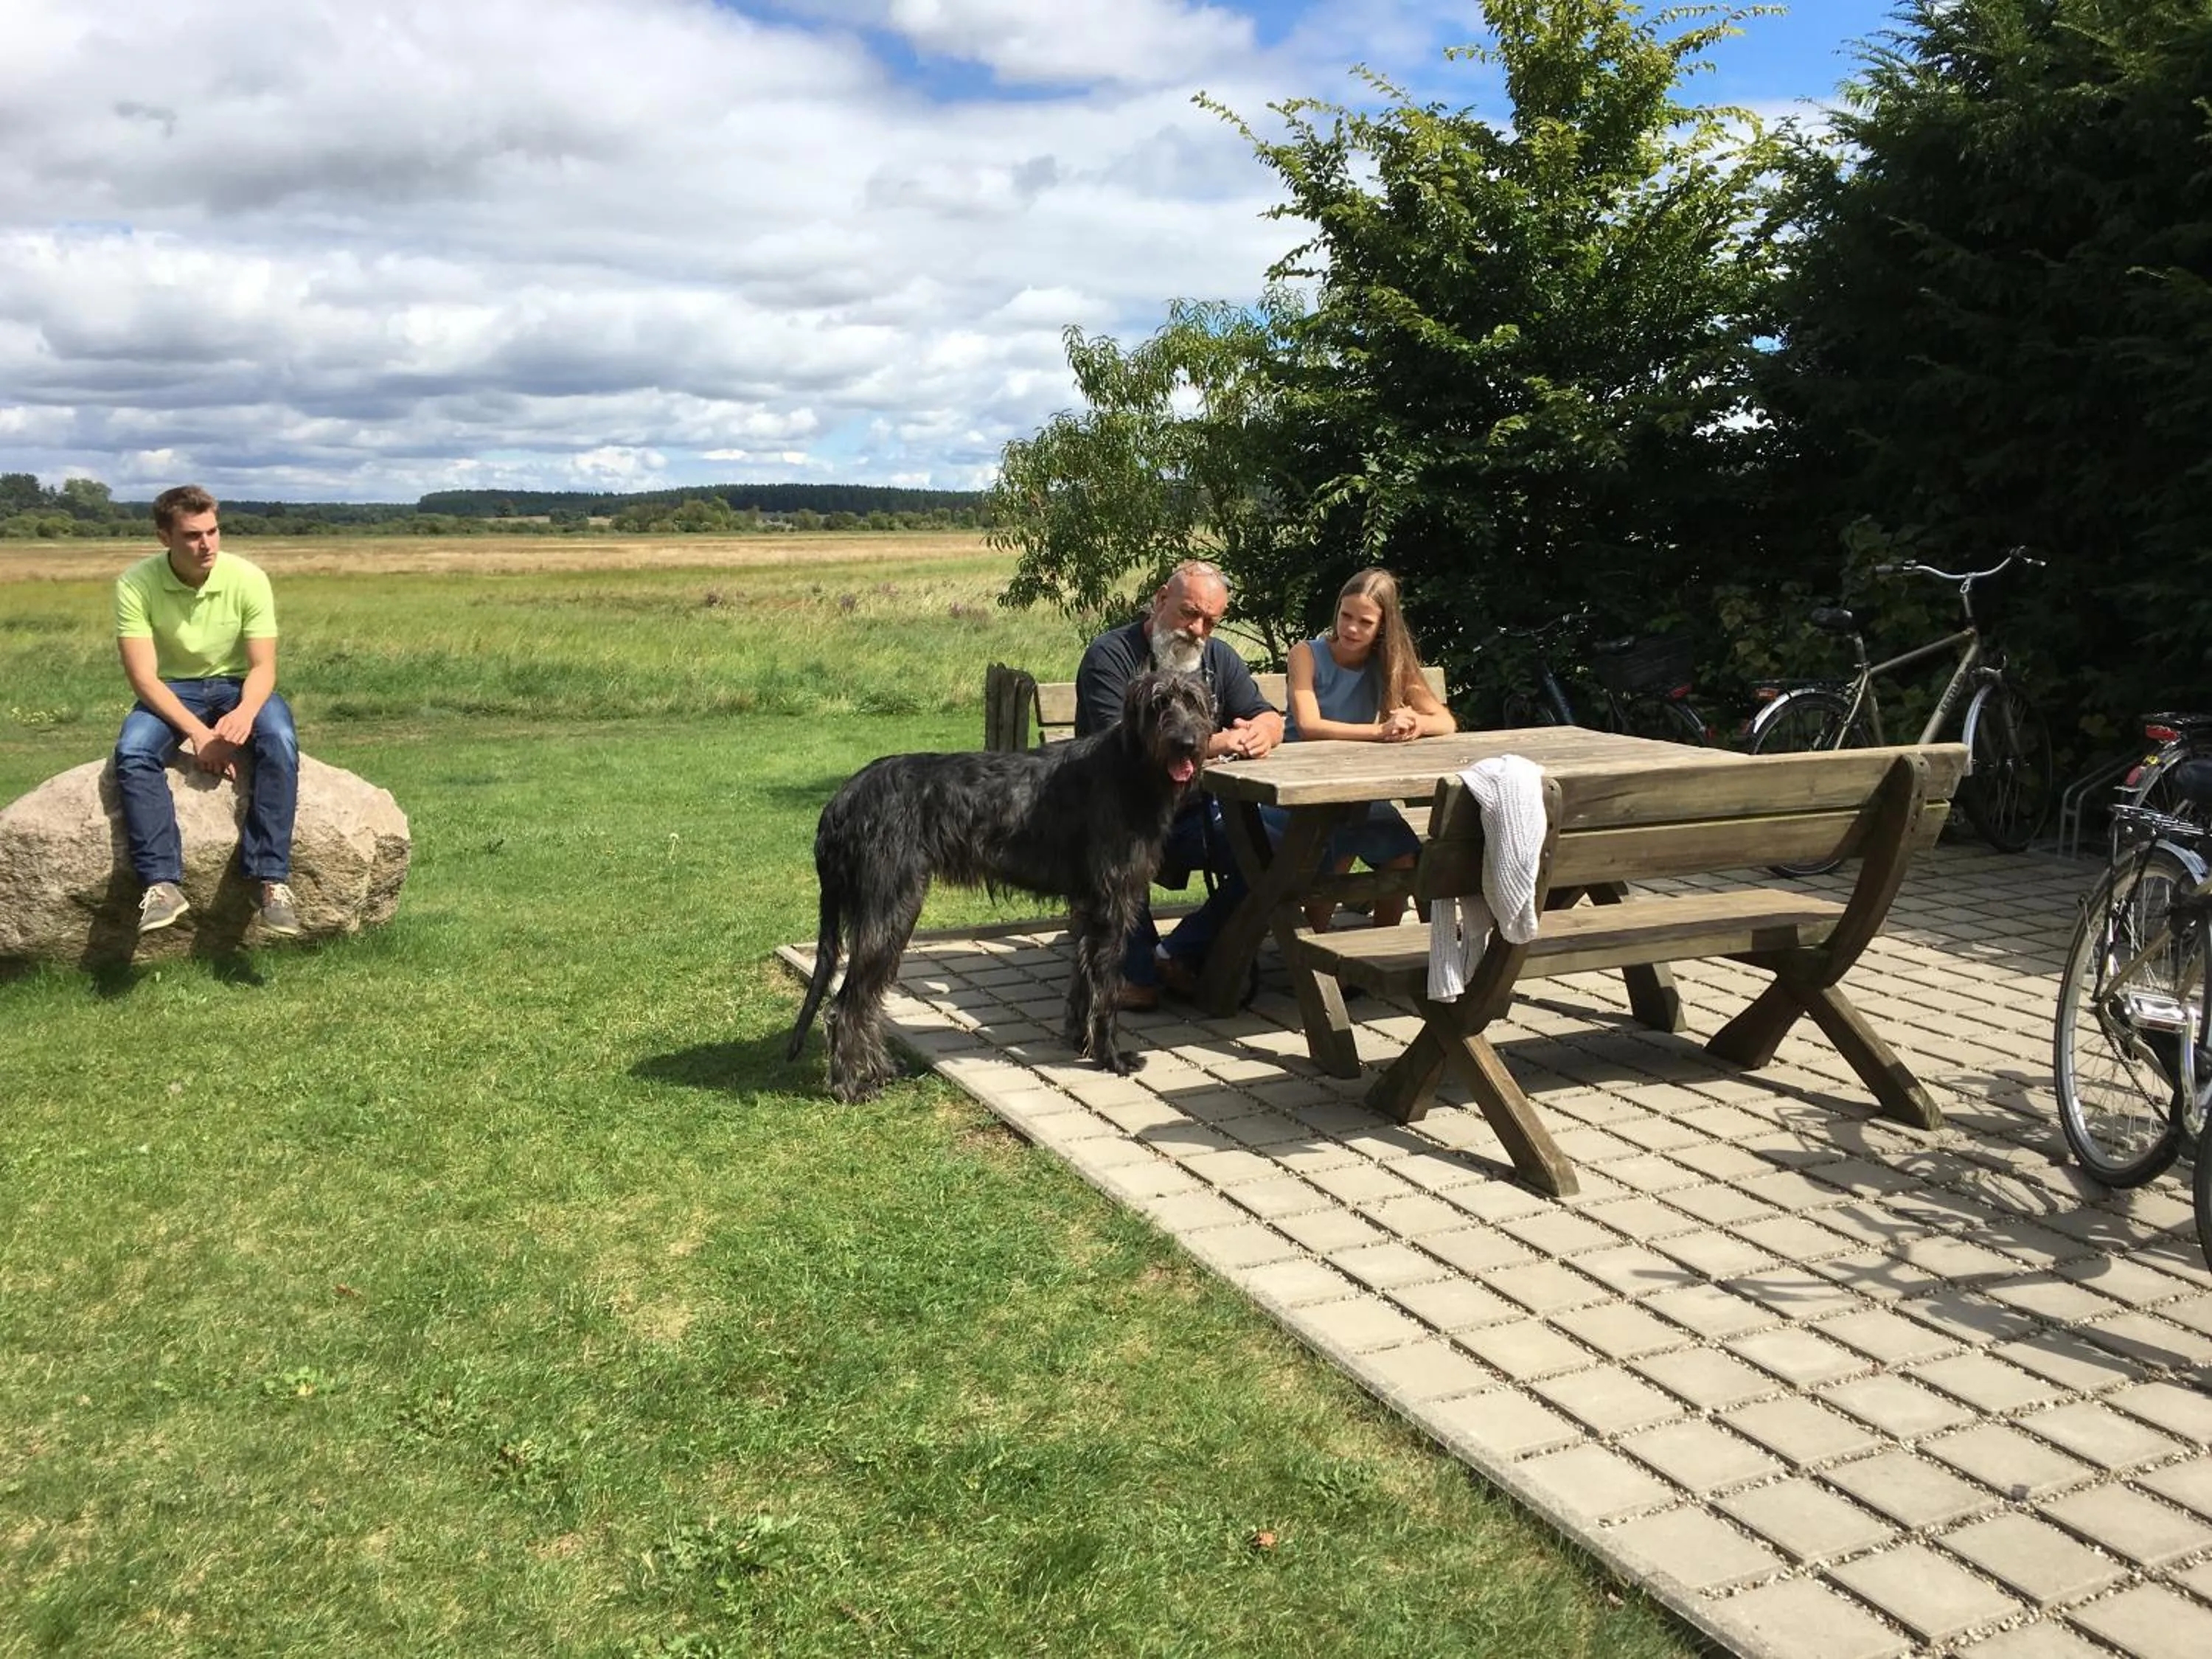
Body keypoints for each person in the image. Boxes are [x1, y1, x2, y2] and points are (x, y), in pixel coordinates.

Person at [1074, 560, 1284, 1009]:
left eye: (1211, 621)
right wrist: (1216, 741)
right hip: (1120, 824)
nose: (1198, 629)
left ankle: (1182, 949)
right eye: (1190, 613)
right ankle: (1139, 963)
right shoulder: (1110, 656)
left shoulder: (1218, 658)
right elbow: (1123, 741)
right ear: (1161, 598)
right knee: (1140, 992)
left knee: (1279, 856)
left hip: (1195, 817)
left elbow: (1265, 713)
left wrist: (1264, 731)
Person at [112, 484, 302, 937]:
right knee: (133, 752)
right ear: (165, 538)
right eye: (193, 535)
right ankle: (162, 884)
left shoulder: (248, 577)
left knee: (279, 740)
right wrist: (202, 735)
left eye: (213, 532)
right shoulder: (135, 583)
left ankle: (270, 880)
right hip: (174, 687)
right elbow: (144, 678)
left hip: (239, 683)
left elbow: (263, 666)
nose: (207, 544)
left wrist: (244, 714)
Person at [1271, 568, 1455, 933]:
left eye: (1365, 622)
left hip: (1360, 791)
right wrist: (1379, 731)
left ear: (1383, 628)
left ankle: (1383, 946)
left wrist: (1416, 723)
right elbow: (1309, 726)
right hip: (1303, 792)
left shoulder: (1390, 663)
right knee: (1334, 852)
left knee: (1402, 856)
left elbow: (1446, 721)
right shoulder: (1306, 654)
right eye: (1346, 616)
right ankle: (1317, 953)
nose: (1351, 629)